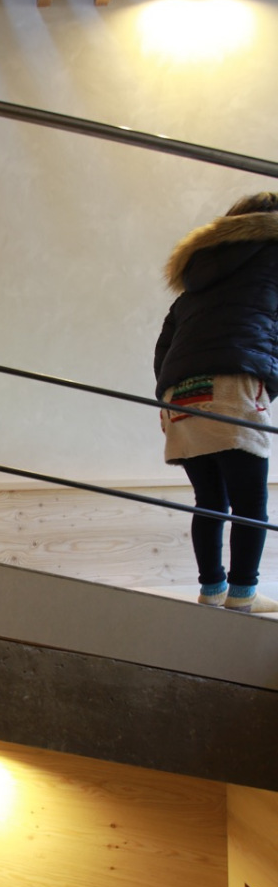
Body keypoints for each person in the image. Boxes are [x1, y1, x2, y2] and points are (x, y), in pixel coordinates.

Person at [154, 193, 278, 614]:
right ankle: (242, 596)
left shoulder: (195, 279)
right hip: (233, 384)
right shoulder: (273, 259)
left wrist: (167, 397)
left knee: (209, 500)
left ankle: (211, 590)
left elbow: (164, 347)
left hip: (179, 395)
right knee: (250, 502)